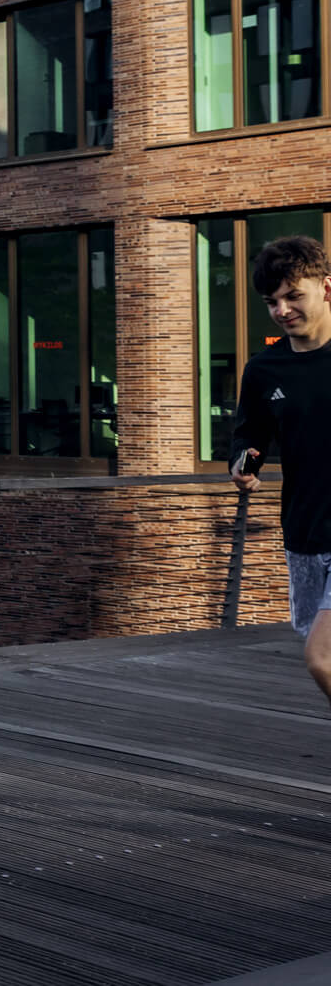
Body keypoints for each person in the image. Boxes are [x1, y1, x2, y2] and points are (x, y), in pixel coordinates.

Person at [231, 235, 331, 707]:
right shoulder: (264, 370)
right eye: (272, 302)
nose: (282, 309)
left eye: (294, 296)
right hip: (304, 532)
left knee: (321, 657)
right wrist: (244, 463)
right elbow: (249, 435)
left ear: (326, 288)